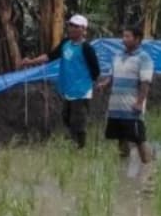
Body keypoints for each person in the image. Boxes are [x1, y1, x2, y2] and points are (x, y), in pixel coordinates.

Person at [19, 14, 101, 148]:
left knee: (78, 118)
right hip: (68, 87)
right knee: (66, 116)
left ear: (83, 30)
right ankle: (74, 139)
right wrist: (31, 62)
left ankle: (79, 146)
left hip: (81, 90)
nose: (72, 28)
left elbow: (95, 69)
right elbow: (49, 56)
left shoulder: (87, 48)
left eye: (76, 26)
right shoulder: (65, 43)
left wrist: (88, 82)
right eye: (71, 25)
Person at [102, 24, 154, 163]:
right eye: (123, 36)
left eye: (127, 36)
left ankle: (148, 170)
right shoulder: (117, 56)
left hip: (132, 107)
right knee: (121, 138)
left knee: (139, 139)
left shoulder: (144, 58)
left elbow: (145, 83)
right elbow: (111, 77)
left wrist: (139, 103)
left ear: (137, 39)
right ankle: (123, 170)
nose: (123, 39)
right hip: (116, 107)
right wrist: (104, 84)